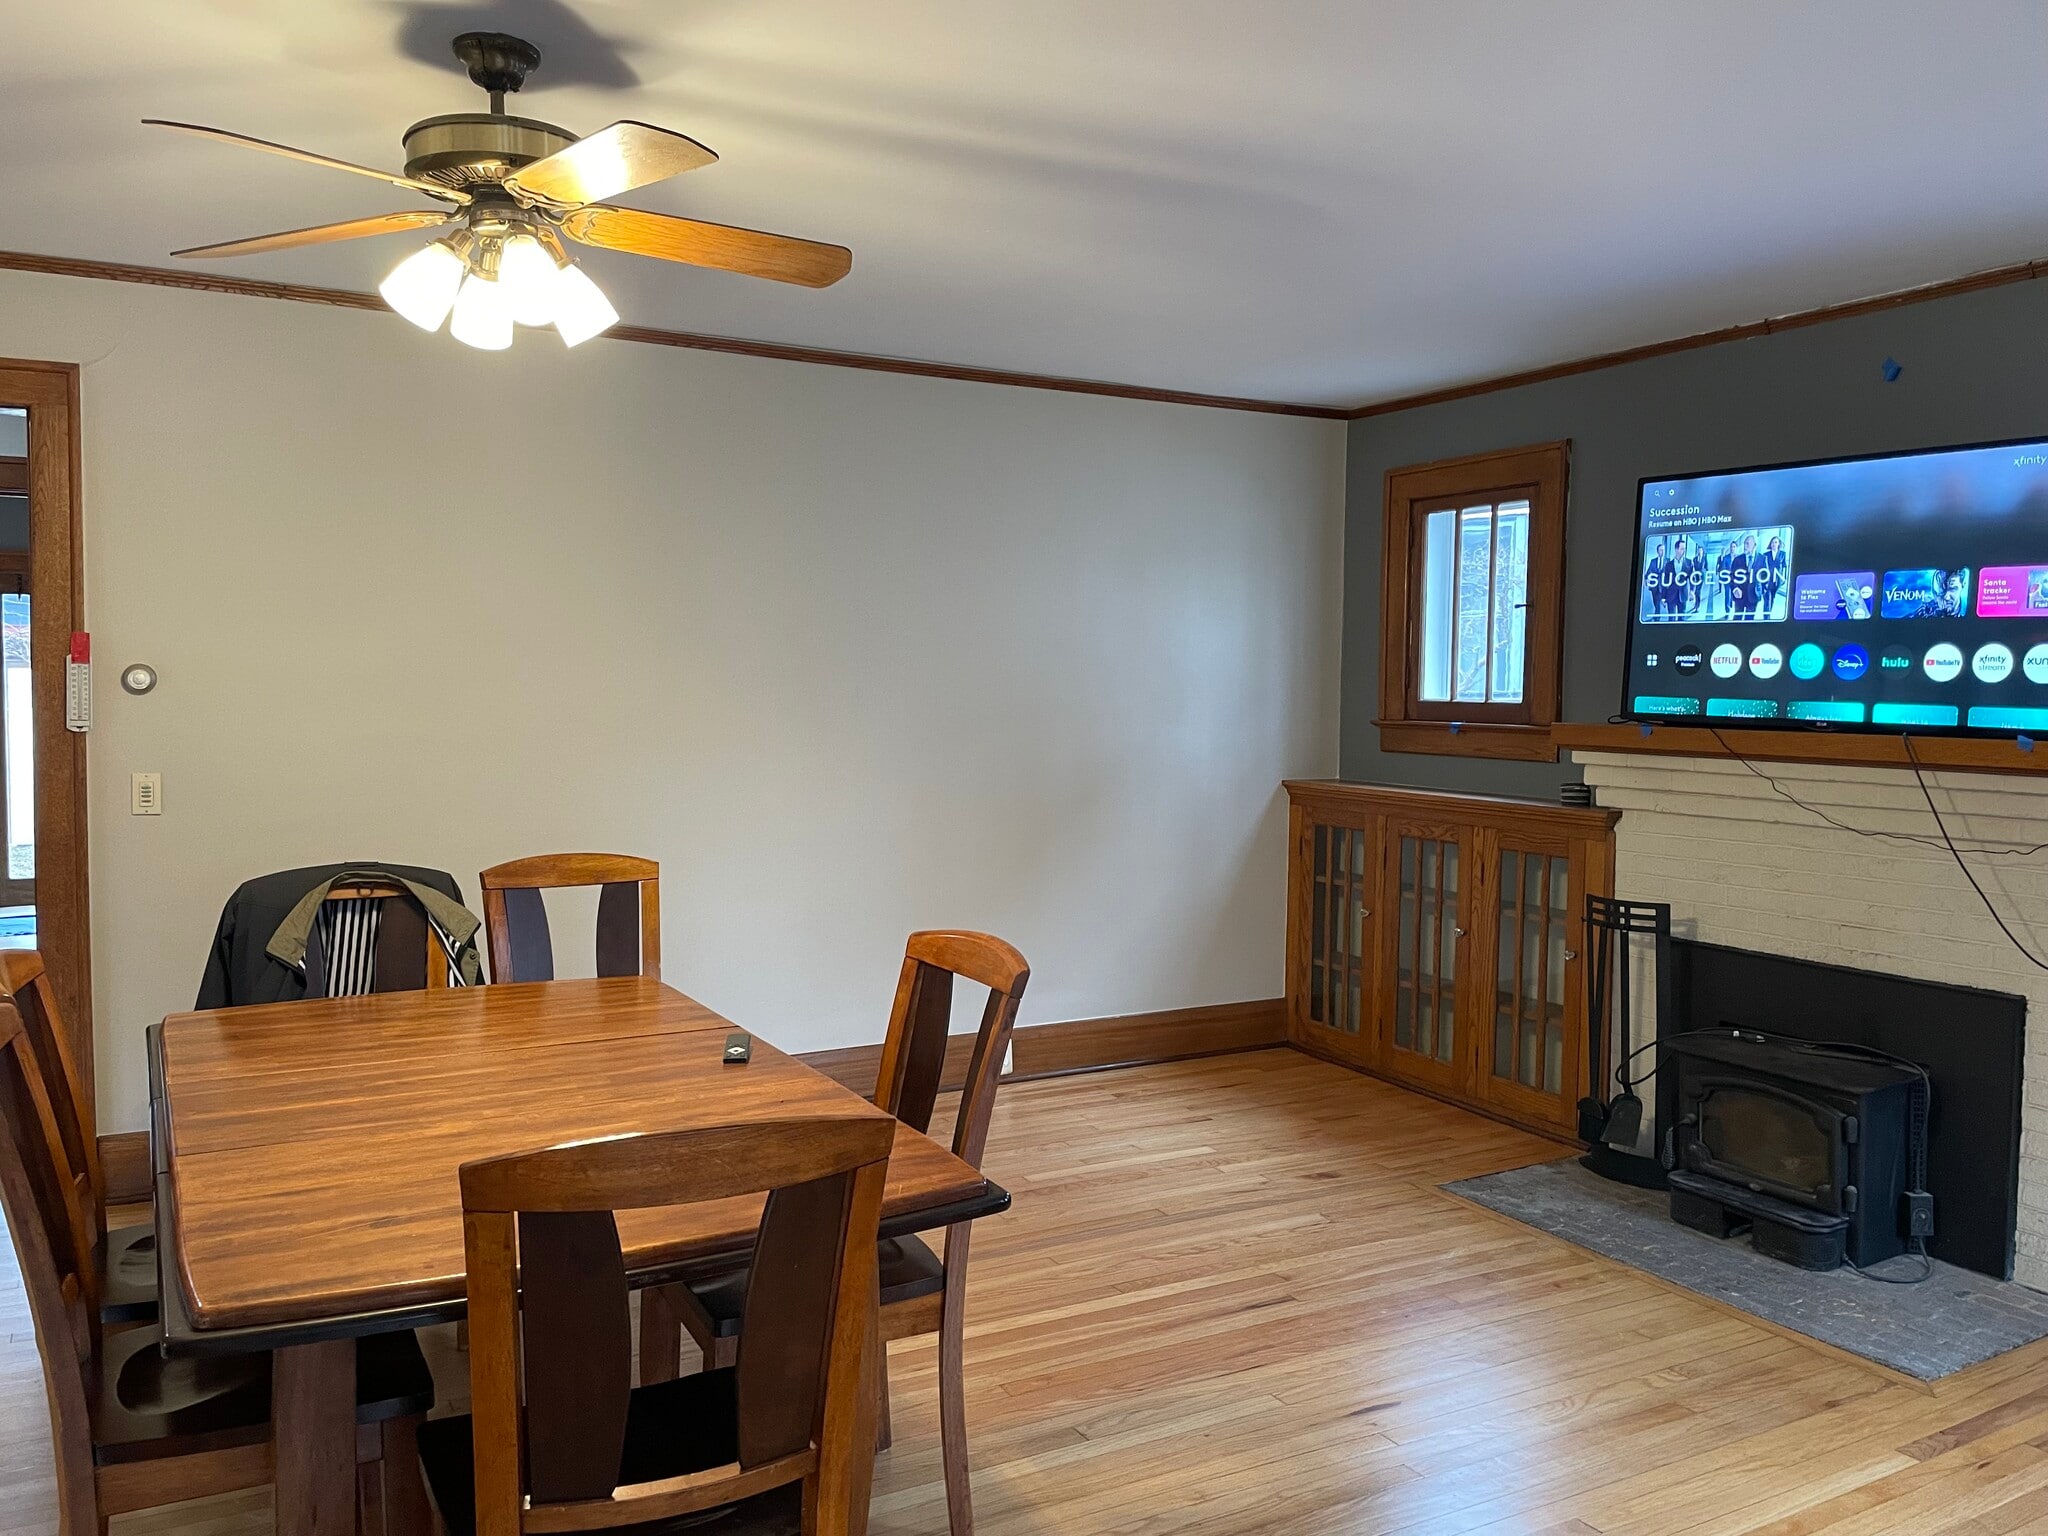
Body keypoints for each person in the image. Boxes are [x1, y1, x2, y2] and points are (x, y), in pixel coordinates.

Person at [1756, 534, 1788, 620]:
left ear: (1778, 544)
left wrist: (1784, 578)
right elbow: (1761, 568)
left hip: (1777, 581)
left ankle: (1768, 615)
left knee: (1772, 599)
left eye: (1775, 542)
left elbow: (1784, 566)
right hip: (1767, 581)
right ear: (1770, 544)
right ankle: (1766, 618)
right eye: (1772, 543)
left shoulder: (1782, 554)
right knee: (1767, 600)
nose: (1774, 544)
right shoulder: (1765, 555)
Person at [1643, 537, 1674, 619]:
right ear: (1657, 551)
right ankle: (1657, 617)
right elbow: (1648, 572)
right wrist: (1646, 579)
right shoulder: (1653, 561)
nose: (1662, 552)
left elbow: (1670, 574)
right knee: (1656, 603)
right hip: (1655, 586)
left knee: (1662, 603)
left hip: (1664, 587)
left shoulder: (1668, 561)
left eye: (1663, 550)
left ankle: (1661, 619)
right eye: (1661, 550)